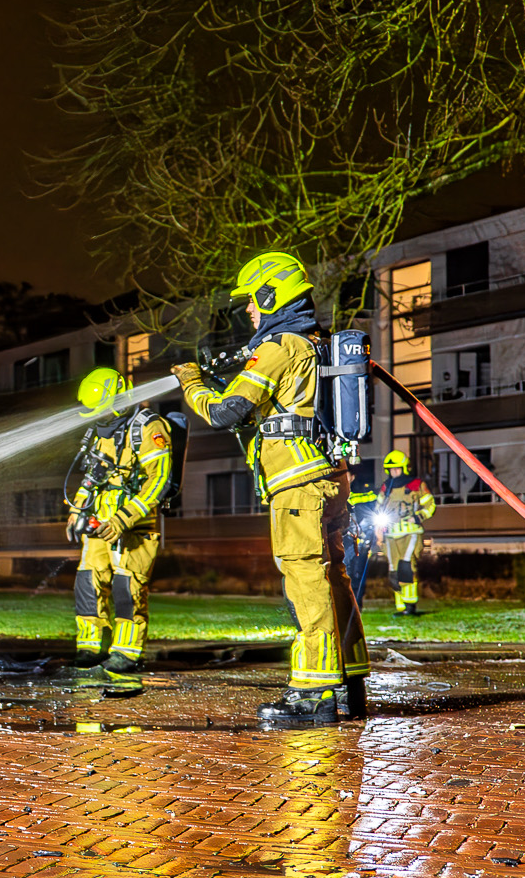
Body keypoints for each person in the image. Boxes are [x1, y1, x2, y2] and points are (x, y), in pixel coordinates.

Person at [173, 252, 369, 726]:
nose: (247, 311)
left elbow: (223, 412)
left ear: (270, 294)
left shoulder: (280, 346)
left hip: (298, 484)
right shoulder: (314, 343)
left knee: (304, 577)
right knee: (333, 575)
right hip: (330, 477)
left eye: (251, 301)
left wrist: (191, 383)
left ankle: (315, 692)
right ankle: (351, 680)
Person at [65, 366, 173, 688]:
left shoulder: (149, 427)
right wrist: (77, 508)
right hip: (101, 524)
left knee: (128, 589)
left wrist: (123, 518)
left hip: (133, 527)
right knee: (87, 581)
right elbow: (93, 475)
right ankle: (90, 646)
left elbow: (160, 480)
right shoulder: (104, 430)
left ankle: (126, 652)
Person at [379, 449, 438, 615]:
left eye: (397, 469)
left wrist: (417, 517)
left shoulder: (416, 485)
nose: (394, 472)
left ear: (404, 468)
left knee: (407, 567)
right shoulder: (386, 488)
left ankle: (410, 605)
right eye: (391, 469)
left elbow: (430, 505)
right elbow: (379, 507)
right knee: (393, 570)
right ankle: (400, 607)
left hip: (410, 532)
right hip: (390, 534)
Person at [345, 467, 381, 602]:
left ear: (353, 476)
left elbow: (374, 512)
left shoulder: (365, 494)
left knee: (358, 574)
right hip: (343, 540)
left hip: (361, 540)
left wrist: (372, 535)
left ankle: (356, 606)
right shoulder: (336, 493)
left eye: (346, 475)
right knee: (344, 573)